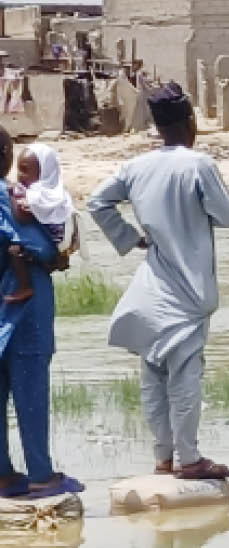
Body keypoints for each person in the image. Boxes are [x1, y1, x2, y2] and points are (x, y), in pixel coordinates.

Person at [88, 83, 229, 479]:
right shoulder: (198, 165)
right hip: (189, 292)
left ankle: (163, 456)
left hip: (152, 285)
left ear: (156, 125)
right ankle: (189, 459)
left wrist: (130, 237)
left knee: (153, 373)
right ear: (189, 121)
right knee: (186, 376)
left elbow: (96, 202)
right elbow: (225, 216)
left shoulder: (135, 168)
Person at [0, 127, 82, 498]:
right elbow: (33, 247)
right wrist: (58, 255)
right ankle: (41, 473)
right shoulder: (12, 199)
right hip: (22, 307)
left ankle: (3, 473)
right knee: (31, 388)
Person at [7, 144, 75, 303]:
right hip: (59, 245)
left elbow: (22, 217)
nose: (19, 175)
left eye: (24, 170)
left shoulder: (36, 193)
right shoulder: (57, 193)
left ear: (44, 172)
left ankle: (25, 286)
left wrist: (12, 198)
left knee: (14, 250)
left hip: (46, 244)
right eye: (18, 169)